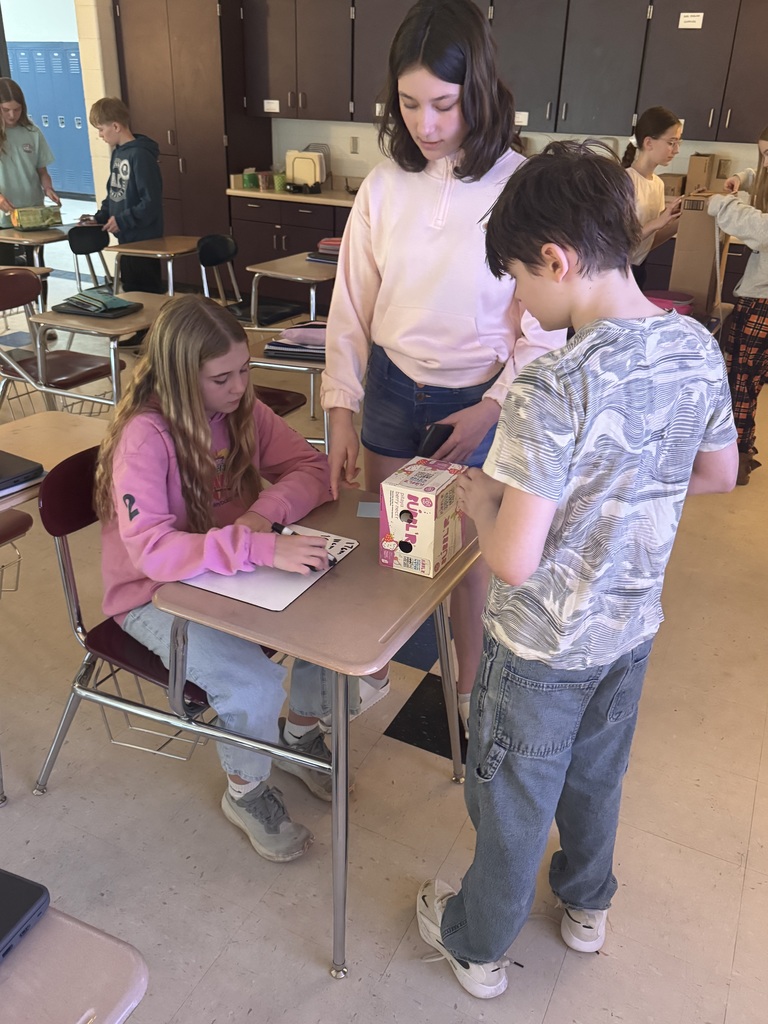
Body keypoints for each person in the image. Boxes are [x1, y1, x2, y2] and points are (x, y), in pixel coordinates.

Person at [415, 141, 738, 999]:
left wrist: (480, 497)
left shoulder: (550, 386)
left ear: (557, 259)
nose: (520, 302)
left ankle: (478, 944)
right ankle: (587, 905)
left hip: (540, 649)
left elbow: (516, 559)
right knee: (597, 776)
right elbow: (718, 473)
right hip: (629, 628)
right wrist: (630, 495)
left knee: (515, 799)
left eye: (519, 281)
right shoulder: (696, 346)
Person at [320, 0, 564, 731]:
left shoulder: (521, 187)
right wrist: (340, 408)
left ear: (479, 92)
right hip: (395, 391)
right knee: (396, 547)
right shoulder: (384, 186)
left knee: (468, 559)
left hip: (481, 400)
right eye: (409, 103)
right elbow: (351, 309)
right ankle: (369, 675)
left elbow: (545, 327)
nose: (426, 125)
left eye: (444, 104)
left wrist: (493, 404)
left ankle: (467, 693)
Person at [93, 294, 342, 863]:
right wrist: (256, 545)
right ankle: (246, 789)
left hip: (225, 571)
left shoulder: (241, 411)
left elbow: (313, 470)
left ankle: (299, 733)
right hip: (152, 595)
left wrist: (260, 517)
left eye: (245, 370)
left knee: (331, 627)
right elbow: (154, 554)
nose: (240, 388)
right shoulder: (145, 437)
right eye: (222, 377)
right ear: (182, 380)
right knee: (251, 684)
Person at [708, 126, 768, 485]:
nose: (765, 161)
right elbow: (755, 173)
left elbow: (756, 227)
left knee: (741, 380)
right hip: (759, 294)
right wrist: (740, 177)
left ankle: (738, 460)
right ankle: (738, 454)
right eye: (762, 152)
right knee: (743, 378)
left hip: (763, 300)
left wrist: (721, 203)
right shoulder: (762, 170)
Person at [81, 97, 164, 295]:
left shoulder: (141, 155)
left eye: (101, 129)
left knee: (146, 295)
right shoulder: (118, 154)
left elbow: (151, 203)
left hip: (145, 240)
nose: (100, 135)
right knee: (130, 293)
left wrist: (123, 220)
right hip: (127, 238)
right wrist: (99, 217)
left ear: (116, 126)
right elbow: (114, 194)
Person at [0, 77, 59, 296]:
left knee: (37, 269)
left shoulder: (32, 132)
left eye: (16, 110)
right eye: (6, 110)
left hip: (32, 214)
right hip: (4, 219)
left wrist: (48, 188)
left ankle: (39, 316)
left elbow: (41, 170)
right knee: (6, 273)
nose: (12, 115)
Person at [621, 106, 683, 288]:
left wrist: (678, 219)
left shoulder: (658, 183)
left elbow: (647, 242)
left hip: (638, 270)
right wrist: (657, 222)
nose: (676, 149)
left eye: (679, 142)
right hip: (616, 273)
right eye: (671, 142)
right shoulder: (624, 180)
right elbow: (618, 242)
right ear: (648, 143)